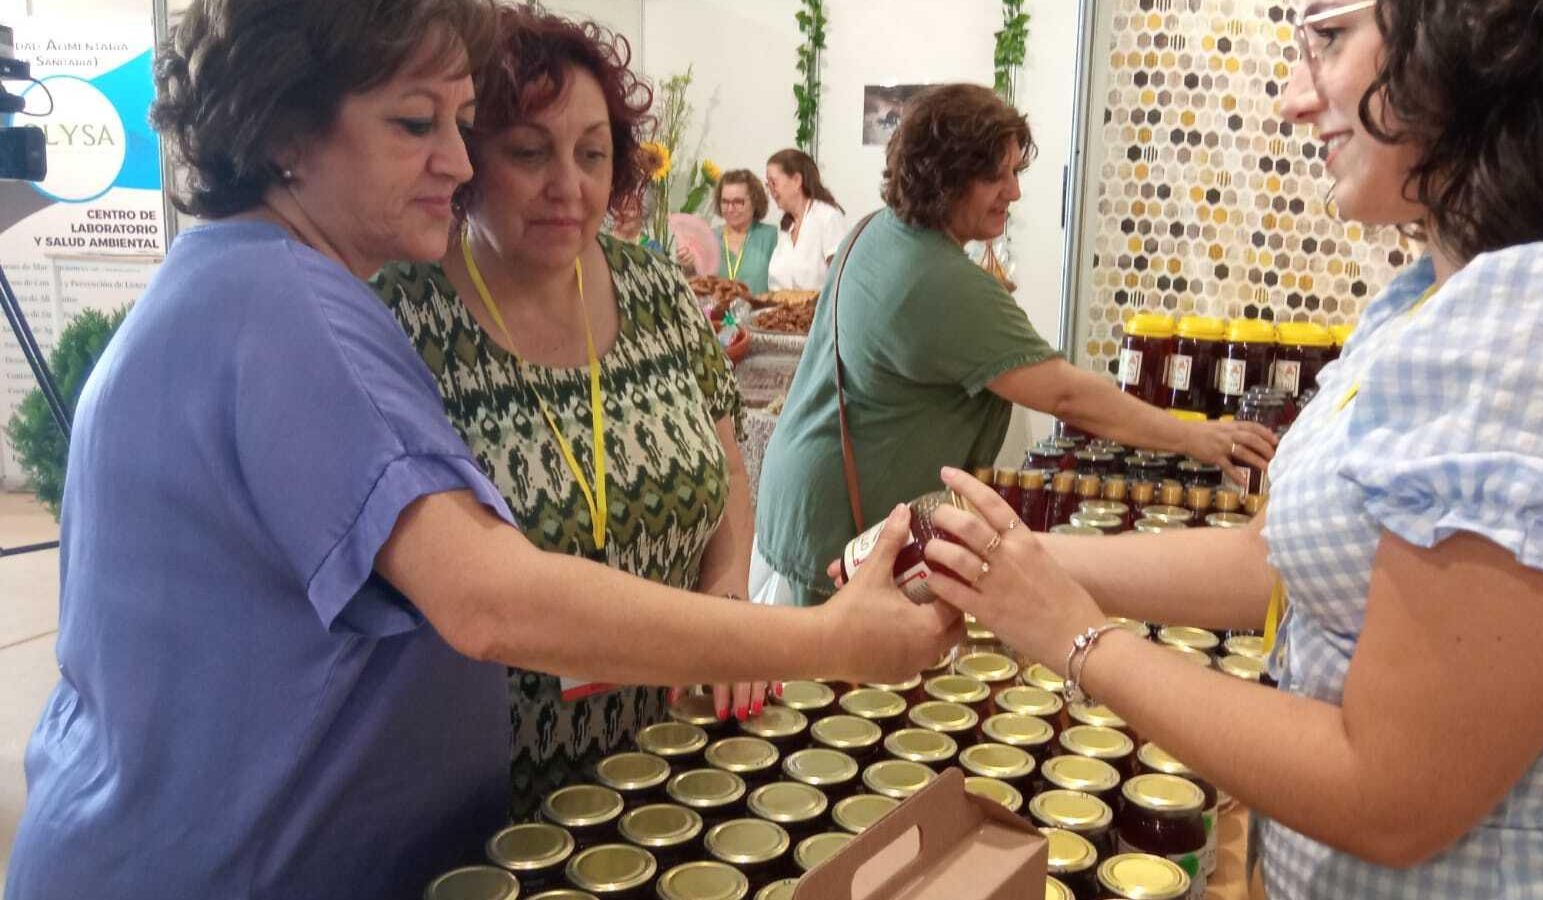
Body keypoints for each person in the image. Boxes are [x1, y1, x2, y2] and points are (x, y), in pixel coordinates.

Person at [3, 1, 959, 897]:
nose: (457, 162)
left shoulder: (233, 284)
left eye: (461, 123)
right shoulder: (290, 312)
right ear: (284, 127)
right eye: (415, 124)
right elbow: (491, 600)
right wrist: (829, 639)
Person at [918, 3, 1543, 898]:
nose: (1292, 99)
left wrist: (1074, 637)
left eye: (1329, 37)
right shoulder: (1432, 299)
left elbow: (1390, 795)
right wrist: (1017, 560)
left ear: (1468, 36)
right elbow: (1272, 559)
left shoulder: (1535, 325)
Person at [371, 9, 761, 814]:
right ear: (468, 156)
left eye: (592, 153)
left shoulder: (654, 289)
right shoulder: (401, 316)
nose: (569, 187)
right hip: (485, 793)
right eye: (528, 152)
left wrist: (729, 596)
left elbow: (727, 469)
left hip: (674, 753)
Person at [753, 84, 1275, 607]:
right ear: (944, 177)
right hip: (842, 518)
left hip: (802, 483)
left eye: (1015, 172)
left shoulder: (874, 230)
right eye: (995, 176)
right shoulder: (941, 281)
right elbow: (1067, 396)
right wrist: (1196, 437)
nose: (1014, 192)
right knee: (839, 653)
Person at [765, 147, 848, 291]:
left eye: (774, 183)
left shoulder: (827, 216)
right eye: (768, 184)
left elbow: (841, 278)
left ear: (796, 180)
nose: (771, 191)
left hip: (816, 305)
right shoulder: (785, 225)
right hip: (780, 304)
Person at [712, 168, 779, 293]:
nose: (730, 209)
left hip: (759, 306)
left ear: (755, 201)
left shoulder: (771, 237)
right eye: (725, 202)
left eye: (738, 202)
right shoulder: (709, 238)